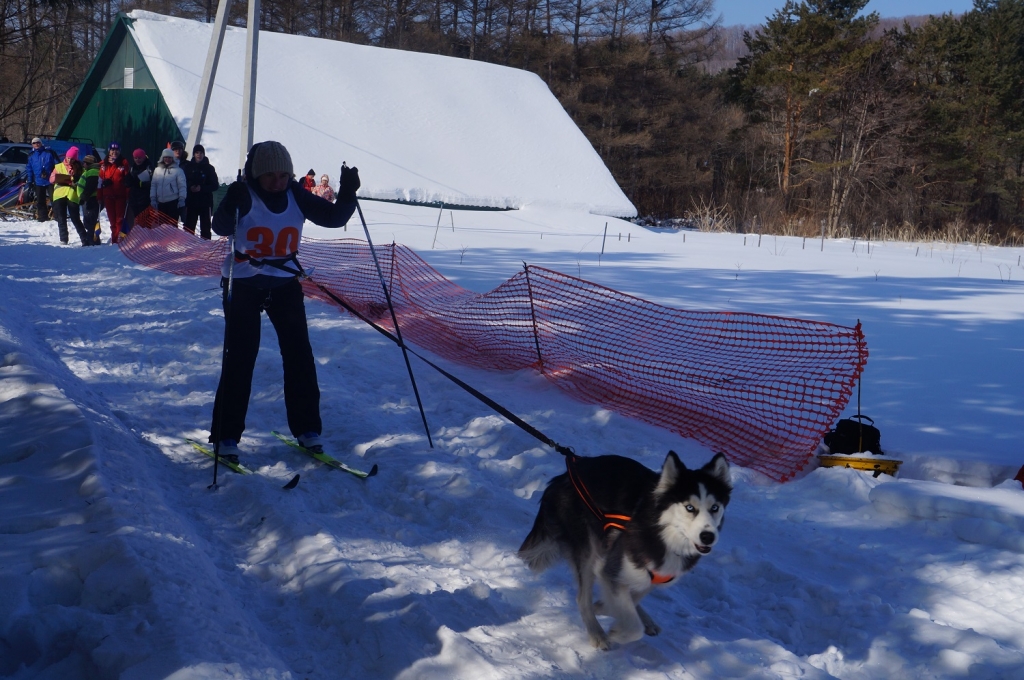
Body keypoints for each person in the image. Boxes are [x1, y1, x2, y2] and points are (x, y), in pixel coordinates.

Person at [208, 140, 360, 461]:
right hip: (244, 282)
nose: (278, 182)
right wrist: (229, 203)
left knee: (299, 355)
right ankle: (226, 436)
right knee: (241, 357)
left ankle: (308, 429)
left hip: (285, 282)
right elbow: (219, 226)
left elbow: (332, 218)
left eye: (283, 175)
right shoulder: (244, 193)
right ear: (255, 174)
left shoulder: (295, 194)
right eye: (270, 176)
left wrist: (347, 193)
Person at [183, 144, 219, 239]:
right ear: (194, 154)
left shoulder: (209, 168)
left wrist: (202, 188)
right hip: (191, 202)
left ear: (204, 154)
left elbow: (215, 185)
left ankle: (206, 249)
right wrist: (190, 187)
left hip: (205, 202)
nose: (199, 155)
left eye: (201, 153)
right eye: (197, 152)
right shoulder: (188, 167)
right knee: (189, 228)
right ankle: (188, 247)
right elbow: (183, 182)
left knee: (206, 228)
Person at [98, 142, 130, 243]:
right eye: (112, 150)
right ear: (109, 151)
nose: (114, 152)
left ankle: (120, 240)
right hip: (108, 196)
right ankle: (114, 239)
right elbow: (100, 181)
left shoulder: (124, 163)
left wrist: (128, 194)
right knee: (112, 220)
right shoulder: (103, 164)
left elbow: (127, 180)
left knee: (119, 219)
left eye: (116, 150)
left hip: (120, 196)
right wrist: (99, 196)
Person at [121, 149, 153, 238]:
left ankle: (146, 237)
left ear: (144, 158)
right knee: (137, 220)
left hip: (145, 198)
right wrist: (127, 181)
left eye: (140, 158)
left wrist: (139, 183)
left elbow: (151, 183)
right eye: (136, 158)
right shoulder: (132, 168)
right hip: (134, 198)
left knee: (145, 220)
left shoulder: (149, 167)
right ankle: (138, 237)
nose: (138, 160)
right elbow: (129, 182)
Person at [150, 148, 186, 222]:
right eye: (165, 157)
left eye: (169, 157)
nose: (167, 159)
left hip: (173, 202)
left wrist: (182, 199)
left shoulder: (178, 171)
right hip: (160, 203)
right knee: (162, 227)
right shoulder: (157, 170)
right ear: (162, 158)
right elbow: (154, 185)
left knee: (172, 227)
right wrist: (153, 198)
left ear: (172, 158)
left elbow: (182, 186)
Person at [25, 137, 55, 222]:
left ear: (41, 143)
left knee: (54, 199)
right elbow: (29, 169)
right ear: (32, 145)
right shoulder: (31, 155)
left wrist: (55, 176)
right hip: (38, 181)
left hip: (50, 180)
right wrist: (30, 180)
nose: (36, 144)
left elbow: (56, 164)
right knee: (40, 201)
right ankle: (42, 217)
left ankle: (57, 215)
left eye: (38, 142)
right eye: (34, 143)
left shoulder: (49, 152)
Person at [78, 155, 102, 245]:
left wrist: (83, 197)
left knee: (90, 221)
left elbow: (90, 187)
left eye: (84, 163)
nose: (83, 165)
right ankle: (94, 239)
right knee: (91, 220)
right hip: (92, 198)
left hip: (92, 199)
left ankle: (92, 240)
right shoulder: (91, 171)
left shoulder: (92, 172)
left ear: (88, 163)